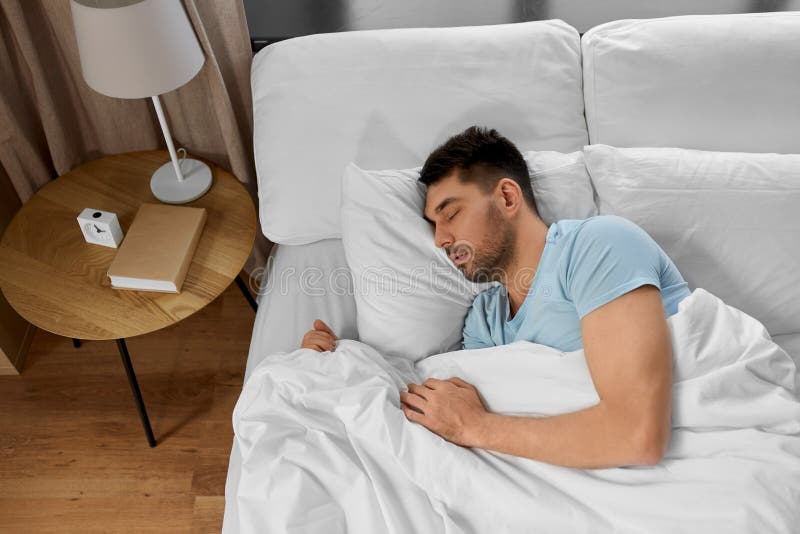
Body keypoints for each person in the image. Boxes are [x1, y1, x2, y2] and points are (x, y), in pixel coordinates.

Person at [302, 126, 691, 469]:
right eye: (433, 225)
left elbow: (638, 435)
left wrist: (476, 426)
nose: (440, 240)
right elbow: (440, 415)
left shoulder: (598, 245)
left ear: (507, 197)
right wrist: (338, 364)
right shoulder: (484, 322)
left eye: (450, 214)